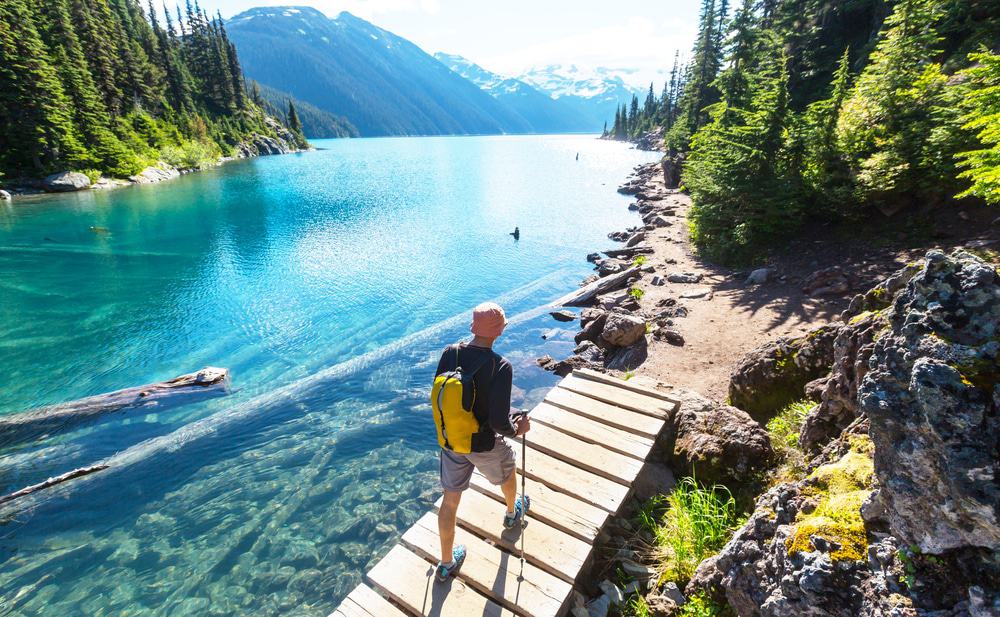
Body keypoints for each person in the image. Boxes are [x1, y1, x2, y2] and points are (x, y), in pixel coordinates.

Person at [433, 302, 531, 582]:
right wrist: (518, 428)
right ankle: (512, 513)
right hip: (483, 445)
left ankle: (446, 562)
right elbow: (499, 422)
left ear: (473, 327)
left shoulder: (449, 353)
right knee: (508, 470)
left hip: (451, 440)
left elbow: (448, 399)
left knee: (450, 502)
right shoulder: (500, 366)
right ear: (499, 332)